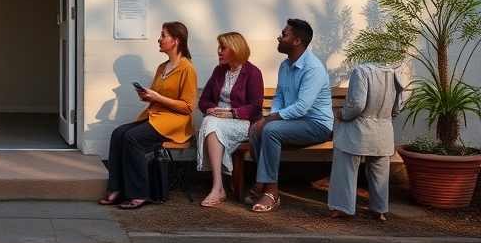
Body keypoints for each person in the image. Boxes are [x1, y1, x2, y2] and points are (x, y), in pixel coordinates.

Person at [99, 21, 198, 210]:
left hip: (175, 122)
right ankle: (116, 188)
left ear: (176, 41)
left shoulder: (187, 69)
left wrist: (158, 97)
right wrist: (148, 96)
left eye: (163, 36)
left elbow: (188, 107)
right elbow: (158, 96)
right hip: (156, 116)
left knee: (132, 137)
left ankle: (139, 193)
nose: (159, 40)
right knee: (118, 133)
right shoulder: (163, 67)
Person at [245, 18, 332, 213]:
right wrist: (267, 119)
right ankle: (262, 183)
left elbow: (302, 107)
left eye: (284, 34)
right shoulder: (285, 65)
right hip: (294, 122)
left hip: (316, 125)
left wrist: (268, 120)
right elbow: (279, 97)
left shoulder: (313, 68)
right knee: (259, 129)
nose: (279, 37)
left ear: (296, 41)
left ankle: (271, 192)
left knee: (270, 130)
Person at [325, 62, 404, 221]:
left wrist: (342, 114)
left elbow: (357, 104)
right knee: (379, 171)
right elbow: (398, 104)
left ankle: (343, 207)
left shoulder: (360, 71)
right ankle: (379, 209)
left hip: (358, 130)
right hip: (384, 130)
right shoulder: (393, 72)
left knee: (345, 165)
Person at [195, 32, 265, 207]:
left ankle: (218, 189)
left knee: (210, 124)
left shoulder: (252, 72)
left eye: (223, 48)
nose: (219, 51)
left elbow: (256, 106)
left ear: (235, 49)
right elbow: (204, 99)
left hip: (244, 123)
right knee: (210, 122)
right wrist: (210, 109)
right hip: (218, 120)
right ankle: (218, 187)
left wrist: (233, 113)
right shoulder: (219, 71)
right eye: (219, 48)